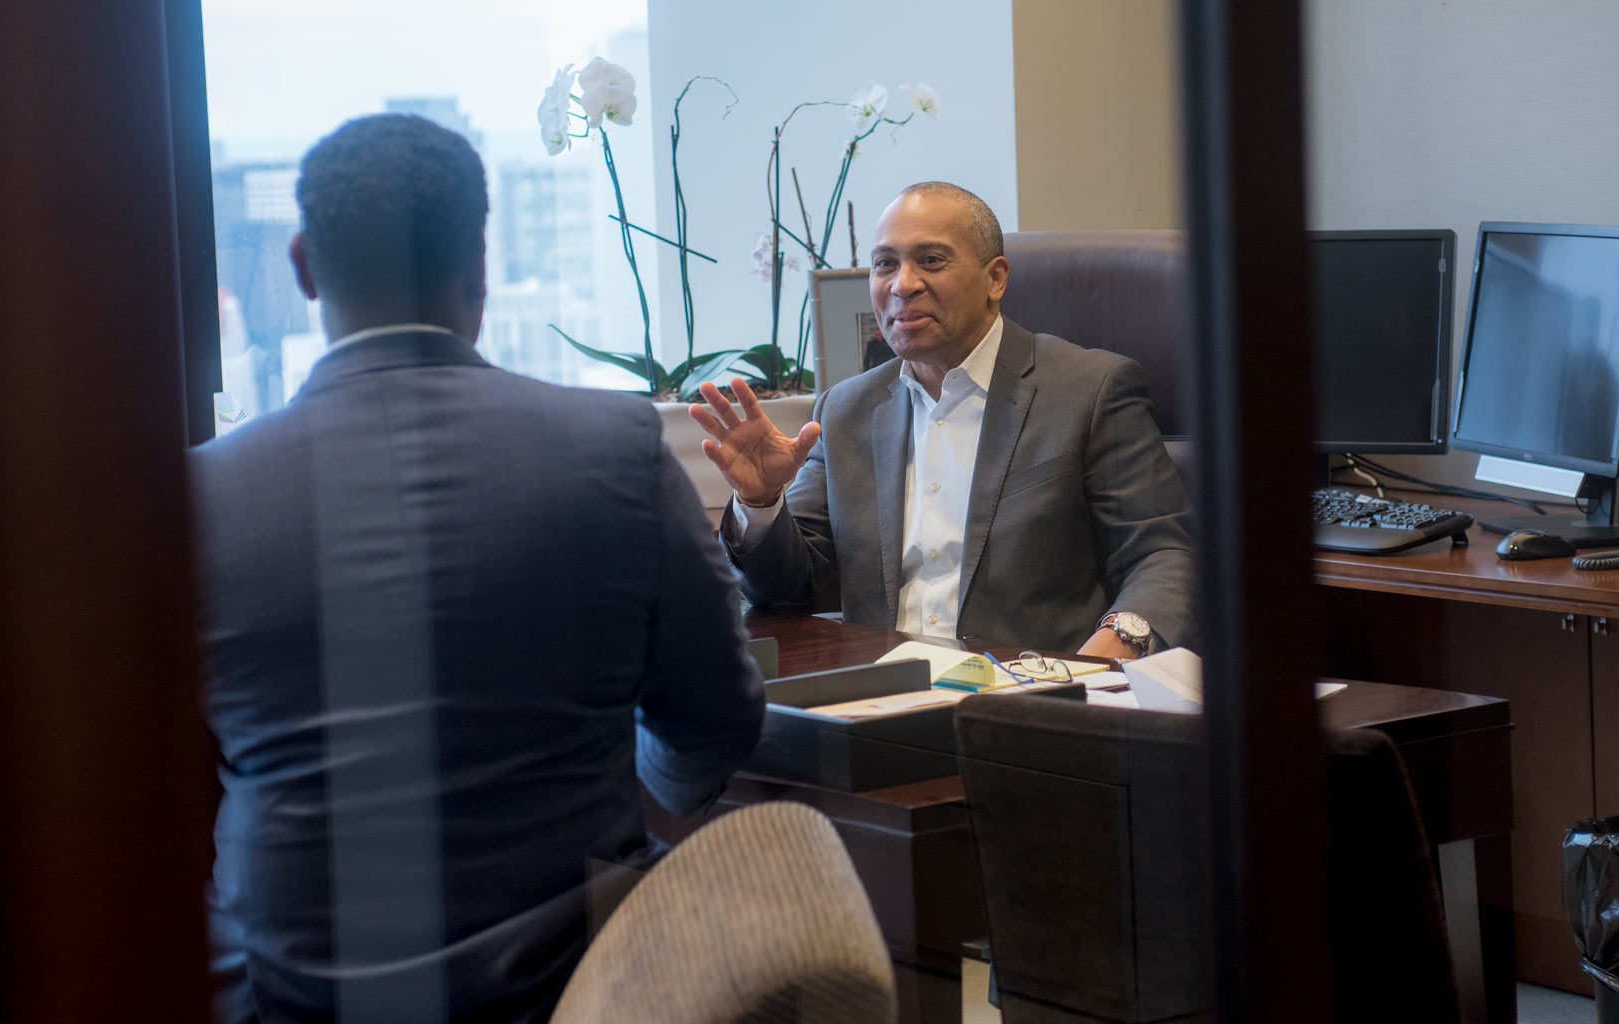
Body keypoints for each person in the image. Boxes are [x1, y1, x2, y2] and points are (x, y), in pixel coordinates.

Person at [190, 114, 763, 1024]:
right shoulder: (614, 447)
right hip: (577, 990)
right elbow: (717, 720)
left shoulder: (198, 496)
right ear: (481, 262)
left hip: (289, 996)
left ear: (301, 265)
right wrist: (633, 785)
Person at [692, 182, 1196, 658]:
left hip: (1033, 702)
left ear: (995, 278)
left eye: (930, 260)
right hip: (882, 702)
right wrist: (760, 502)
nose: (902, 285)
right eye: (884, 264)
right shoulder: (844, 409)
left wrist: (1117, 645)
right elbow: (785, 586)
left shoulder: (1089, 389)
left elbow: (1164, 555)